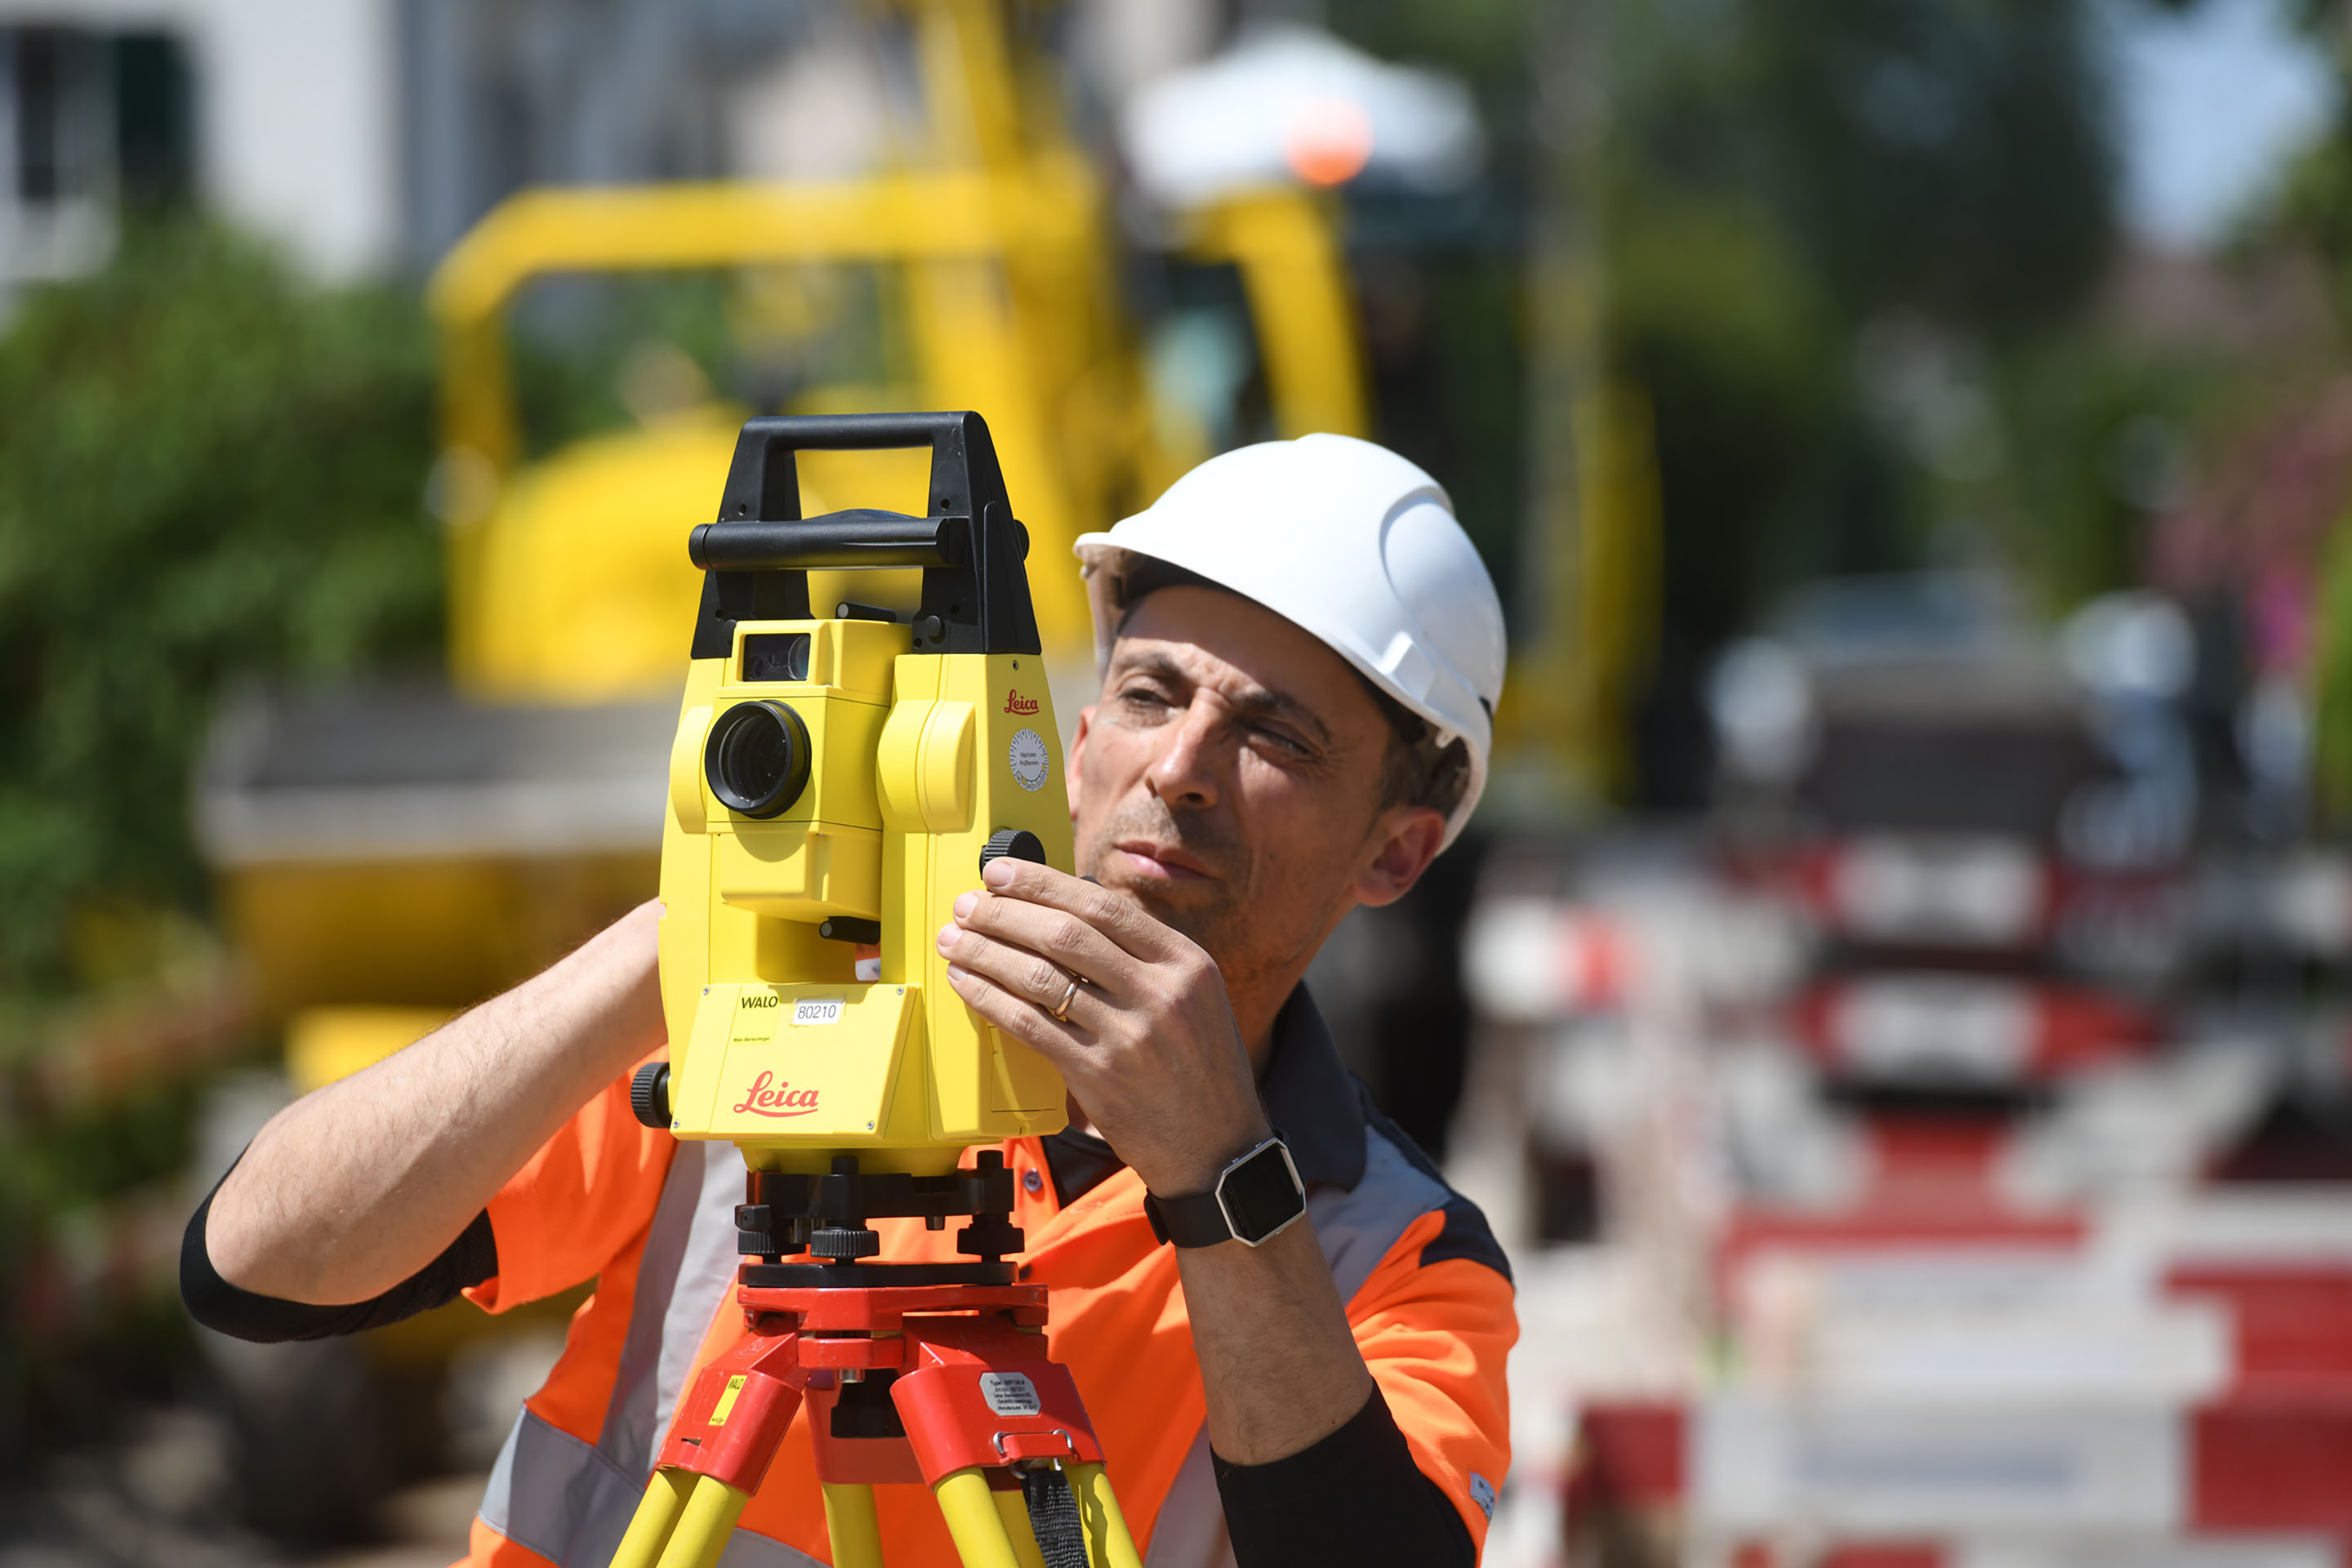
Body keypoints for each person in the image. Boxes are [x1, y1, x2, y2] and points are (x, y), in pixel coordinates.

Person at [185, 433, 1516, 1568]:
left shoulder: (1393, 1258)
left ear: (1399, 847)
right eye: (1149, 692)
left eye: (1275, 734)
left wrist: (1222, 1175)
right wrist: (698, 927)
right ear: (1079, 727)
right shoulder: (762, 1037)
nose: (1180, 767)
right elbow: (254, 1263)